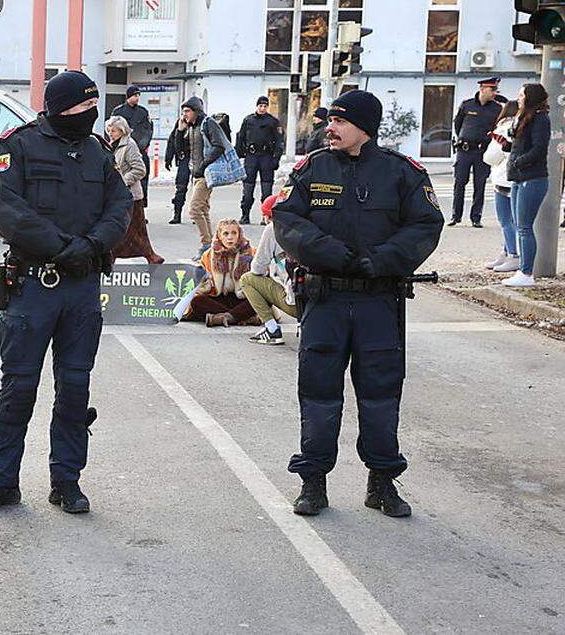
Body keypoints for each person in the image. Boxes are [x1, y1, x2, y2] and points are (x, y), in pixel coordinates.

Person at [272, 89, 443, 519]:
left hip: (378, 302)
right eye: (329, 120)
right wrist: (331, 253)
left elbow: (425, 225)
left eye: (340, 122)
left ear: (364, 127)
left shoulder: (401, 173)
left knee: (381, 396)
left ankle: (382, 483)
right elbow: (286, 219)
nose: (329, 128)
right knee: (318, 395)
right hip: (325, 299)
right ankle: (313, 482)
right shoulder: (313, 167)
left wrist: (379, 261)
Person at [0, 70, 132, 515]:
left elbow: (121, 206)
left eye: (92, 107)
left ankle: (67, 481)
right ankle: (2, 481)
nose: (89, 114)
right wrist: (63, 249)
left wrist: (94, 245)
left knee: (75, 387)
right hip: (34, 285)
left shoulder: (98, 151)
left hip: (81, 289)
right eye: (81, 108)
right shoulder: (18, 145)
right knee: (18, 386)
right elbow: (6, 210)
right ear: (58, 108)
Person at [502, 83, 551, 288]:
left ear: (530, 97)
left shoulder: (540, 119)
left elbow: (539, 149)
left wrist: (517, 161)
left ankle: (526, 272)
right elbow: (519, 143)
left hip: (532, 178)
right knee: (518, 223)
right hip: (518, 178)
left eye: (521, 94)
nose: (518, 98)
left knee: (524, 227)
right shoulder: (524, 117)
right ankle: (523, 270)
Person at [106, 115, 164, 264]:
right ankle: (112, 255)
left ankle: (149, 256)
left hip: (131, 195)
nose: (110, 133)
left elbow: (140, 169)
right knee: (119, 228)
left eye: (114, 131)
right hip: (117, 195)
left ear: (122, 131)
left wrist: (122, 181)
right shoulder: (113, 144)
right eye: (109, 130)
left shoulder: (129, 145)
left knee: (136, 231)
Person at [241, 194, 299, 344]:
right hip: (324, 299)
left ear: (269, 216)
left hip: (297, 303)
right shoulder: (307, 224)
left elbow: (257, 268)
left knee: (247, 279)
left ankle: (271, 328)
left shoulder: (273, 229)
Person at [180, 218, 257, 327]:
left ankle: (223, 318)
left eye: (234, 233)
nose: (230, 237)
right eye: (225, 233)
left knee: (260, 301)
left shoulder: (252, 253)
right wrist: (203, 282)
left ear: (239, 234)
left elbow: (260, 280)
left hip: (243, 298)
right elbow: (204, 287)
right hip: (219, 297)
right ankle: (241, 317)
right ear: (219, 236)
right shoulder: (208, 255)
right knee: (197, 302)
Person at [449, 77, 503, 228]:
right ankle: (455, 216)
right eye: (492, 90)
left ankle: (476, 217)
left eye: (495, 90)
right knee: (459, 183)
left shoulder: (497, 108)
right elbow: (458, 124)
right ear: (482, 89)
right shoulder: (467, 105)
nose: (494, 93)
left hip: (482, 152)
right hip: (464, 150)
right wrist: (464, 138)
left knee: (480, 185)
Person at [182, 96, 226, 251]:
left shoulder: (208, 123)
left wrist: (203, 164)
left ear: (196, 111)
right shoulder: (191, 126)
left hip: (205, 174)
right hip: (195, 174)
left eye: (187, 111)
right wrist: (180, 131)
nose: (185, 114)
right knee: (203, 209)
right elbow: (181, 148)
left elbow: (219, 146)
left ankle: (206, 244)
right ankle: (210, 246)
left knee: (194, 210)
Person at [482, 100, 520, 273]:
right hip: (512, 177)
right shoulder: (520, 126)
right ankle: (506, 252)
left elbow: (490, 156)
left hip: (503, 178)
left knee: (506, 221)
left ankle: (512, 254)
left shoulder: (503, 128)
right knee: (512, 220)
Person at [235, 96, 284, 225]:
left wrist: (276, 158)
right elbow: (240, 137)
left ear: (267, 107)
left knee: (267, 189)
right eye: (260, 106)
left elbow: (279, 141)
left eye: (265, 106)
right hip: (251, 157)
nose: (262, 108)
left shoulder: (273, 121)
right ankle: (245, 214)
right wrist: (239, 152)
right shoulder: (248, 120)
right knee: (247, 188)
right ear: (256, 106)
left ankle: (265, 216)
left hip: (266, 157)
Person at [111, 86, 153, 206]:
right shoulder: (119, 112)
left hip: (140, 149)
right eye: (135, 95)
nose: (137, 98)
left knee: (143, 180)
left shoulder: (143, 111)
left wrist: (143, 145)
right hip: (123, 148)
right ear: (128, 96)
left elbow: (148, 129)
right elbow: (112, 129)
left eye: (139, 95)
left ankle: (142, 207)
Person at [163, 116, 191, 224]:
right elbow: (172, 141)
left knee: (200, 189)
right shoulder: (180, 123)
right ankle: (177, 214)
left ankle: (198, 214)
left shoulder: (203, 123)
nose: (186, 114)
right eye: (184, 111)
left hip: (199, 160)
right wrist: (168, 158)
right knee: (181, 187)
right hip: (185, 159)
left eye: (188, 111)